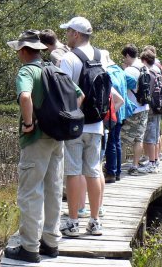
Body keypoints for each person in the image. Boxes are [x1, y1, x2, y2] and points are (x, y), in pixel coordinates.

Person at [4, 30, 84, 263]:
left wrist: (30, 123)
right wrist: (58, 122)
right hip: (56, 139)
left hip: (36, 139)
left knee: (30, 192)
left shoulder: (27, 70)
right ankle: (50, 243)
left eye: (19, 49)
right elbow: (79, 96)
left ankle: (29, 247)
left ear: (24, 50)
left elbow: (26, 97)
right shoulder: (56, 69)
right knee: (53, 190)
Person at [58, 17, 106, 238]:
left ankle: (73, 223)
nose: (66, 35)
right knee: (94, 171)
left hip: (76, 124)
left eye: (68, 32)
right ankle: (95, 222)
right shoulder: (101, 55)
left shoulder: (69, 58)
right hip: (97, 124)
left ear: (76, 34)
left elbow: (65, 93)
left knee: (74, 171)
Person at [120, 44, 152, 175]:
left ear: (128, 55)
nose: (124, 60)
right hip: (144, 107)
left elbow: (122, 90)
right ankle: (134, 165)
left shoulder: (129, 71)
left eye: (124, 57)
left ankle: (117, 165)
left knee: (121, 138)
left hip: (133, 109)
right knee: (139, 139)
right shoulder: (145, 67)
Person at [103, 51, 133, 183]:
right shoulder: (120, 71)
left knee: (111, 143)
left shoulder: (109, 72)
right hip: (121, 112)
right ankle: (117, 172)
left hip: (113, 112)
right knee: (116, 142)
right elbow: (132, 83)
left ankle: (111, 173)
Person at [140, 49, 162, 172]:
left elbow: (148, 93)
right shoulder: (157, 71)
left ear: (144, 60)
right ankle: (154, 161)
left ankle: (152, 164)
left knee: (150, 137)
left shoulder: (149, 74)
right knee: (155, 136)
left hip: (152, 109)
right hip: (158, 108)